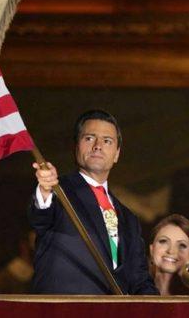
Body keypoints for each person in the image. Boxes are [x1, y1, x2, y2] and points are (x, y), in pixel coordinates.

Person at [28, 109, 158, 295]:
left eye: (107, 141)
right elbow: (40, 216)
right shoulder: (59, 192)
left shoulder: (129, 219)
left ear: (116, 154)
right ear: (76, 147)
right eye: (89, 138)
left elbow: (139, 280)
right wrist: (45, 189)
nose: (98, 146)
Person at [148, 214, 189, 295]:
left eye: (182, 245)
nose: (171, 251)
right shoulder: (129, 293)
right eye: (163, 241)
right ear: (152, 249)